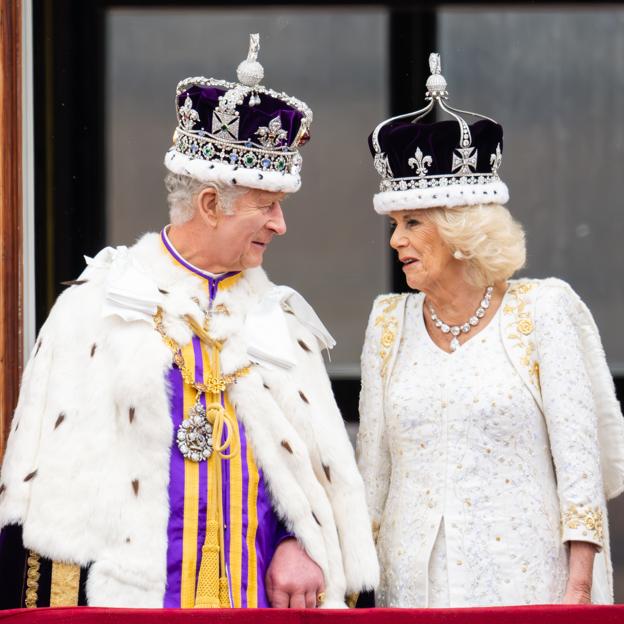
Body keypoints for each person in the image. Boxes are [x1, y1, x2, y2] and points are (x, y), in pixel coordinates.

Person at [0, 34, 378, 610]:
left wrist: (297, 542)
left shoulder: (282, 323)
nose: (280, 225)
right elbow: (46, 481)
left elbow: (301, 473)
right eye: (266, 205)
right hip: (129, 602)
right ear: (209, 205)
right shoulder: (97, 303)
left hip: (252, 600)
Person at [356, 53, 624, 608]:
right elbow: (373, 474)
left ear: (460, 231)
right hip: (410, 589)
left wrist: (577, 592)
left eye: (411, 224)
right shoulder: (387, 323)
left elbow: (581, 467)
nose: (395, 241)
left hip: (526, 584)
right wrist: (358, 588)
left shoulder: (542, 311)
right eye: (393, 225)